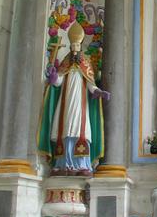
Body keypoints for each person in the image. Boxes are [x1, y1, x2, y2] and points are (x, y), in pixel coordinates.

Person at [37, 21, 110, 175]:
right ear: (70, 47)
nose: (75, 49)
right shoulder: (65, 63)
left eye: (77, 47)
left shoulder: (85, 63)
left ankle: (81, 165)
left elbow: (91, 84)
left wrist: (98, 92)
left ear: (81, 47)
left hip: (80, 104)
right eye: (73, 47)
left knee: (80, 130)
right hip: (65, 102)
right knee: (63, 130)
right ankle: (61, 164)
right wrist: (53, 76)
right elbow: (58, 82)